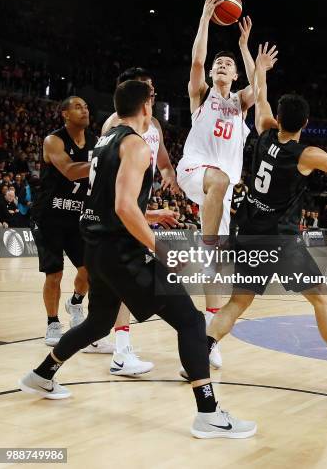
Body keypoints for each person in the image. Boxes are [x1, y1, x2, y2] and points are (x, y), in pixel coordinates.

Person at [19, 80, 256, 440]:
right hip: (121, 251)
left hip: (96, 247)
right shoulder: (135, 145)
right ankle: (208, 414)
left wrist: (152, 214)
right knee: (191, 322)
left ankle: (41, 374)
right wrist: (160, 250)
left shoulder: (104, 141)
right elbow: (122, 206)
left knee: (99, 323)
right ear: (146, 107)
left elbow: (109, 200)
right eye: (152, 101)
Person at [205, 43, 327, 391]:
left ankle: (199, 352)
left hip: (249, 227)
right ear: (305, 124)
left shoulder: (264, 131)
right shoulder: (306, 154)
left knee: (239, 300)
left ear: (280, 118)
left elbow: (263, 99)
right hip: (279, 238)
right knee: (322, 297)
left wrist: (261, 69)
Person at [176, 0, 257, 369]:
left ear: (234, 74)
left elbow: (258, 87)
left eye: (228, 64)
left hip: (219, 192)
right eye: (218, 63)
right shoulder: (202, 96)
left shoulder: (239, 104)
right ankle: (205, 246)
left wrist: (243, 46)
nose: (221, 66)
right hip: (195, 170)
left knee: (215, 272)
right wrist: (206, 18)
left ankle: (209, 336)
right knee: (220, 182)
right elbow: (196, 59)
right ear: (211, 73)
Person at [99, 67, 179, 375]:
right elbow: (107, 177)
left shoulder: (154, 125)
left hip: (133, 206)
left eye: (153, 92)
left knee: (109, 290)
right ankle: (121, 352)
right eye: (148, 92)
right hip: (119, 211)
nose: (152, 98)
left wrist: (171, 176)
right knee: (126, 285)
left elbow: (164, 162)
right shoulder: (115, 125)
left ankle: (93, 341)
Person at [30, 97, 97, 346]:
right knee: (54, 273)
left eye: (86, 106)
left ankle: (75, 303)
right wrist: (105, 163)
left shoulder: (94, 142)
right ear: (65, 114)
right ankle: (52, 322)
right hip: (48, 216)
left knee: (88, 270)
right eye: (78, 106)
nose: (85, 109)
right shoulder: (53, 140)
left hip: (76, 215)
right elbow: (69, 170)